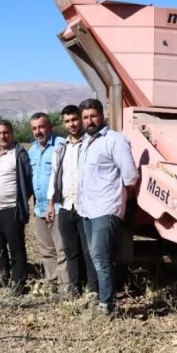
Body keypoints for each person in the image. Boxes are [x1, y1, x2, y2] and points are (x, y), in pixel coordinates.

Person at [75, 98, 138, 315]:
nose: (89, 120)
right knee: (94, 255)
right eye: (85, 117)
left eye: (93, 116)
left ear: (103, 116)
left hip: (106, 208)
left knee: (101, 257)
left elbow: (131, 176)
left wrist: (119, 200)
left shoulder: (115, 141)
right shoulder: (86, 142)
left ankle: (108, 305)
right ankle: (100, 297)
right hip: (86, 209)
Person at [45, 104, 95, 297]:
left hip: (86, 207)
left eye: (74, 119)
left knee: (88, 251)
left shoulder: (90, 143)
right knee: (70, 250)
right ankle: (74, 288)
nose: (72, 124)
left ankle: (93, 290)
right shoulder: (61, 148)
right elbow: (54, 175)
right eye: (67, 121)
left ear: (81, 120)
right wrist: (51, 203)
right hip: (66, 206)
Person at [0, 120, 33, 295]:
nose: (2, 136)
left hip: (12, 209)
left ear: (12, 134)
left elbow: (28, 182)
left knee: (16, 248)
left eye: (5, 133)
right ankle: (1, 277)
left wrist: (19, 202)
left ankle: (19, 283)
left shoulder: (19, 154)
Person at [26, 111, 64, 288]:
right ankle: (52, 281)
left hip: (57, 207)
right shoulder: (32, 150)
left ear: (50, 127)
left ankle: (67, 285)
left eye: (41, 127)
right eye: (34, 128)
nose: (38, 131)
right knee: (46, 249)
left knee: (62, 248)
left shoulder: (60, 145)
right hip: (39, 207)